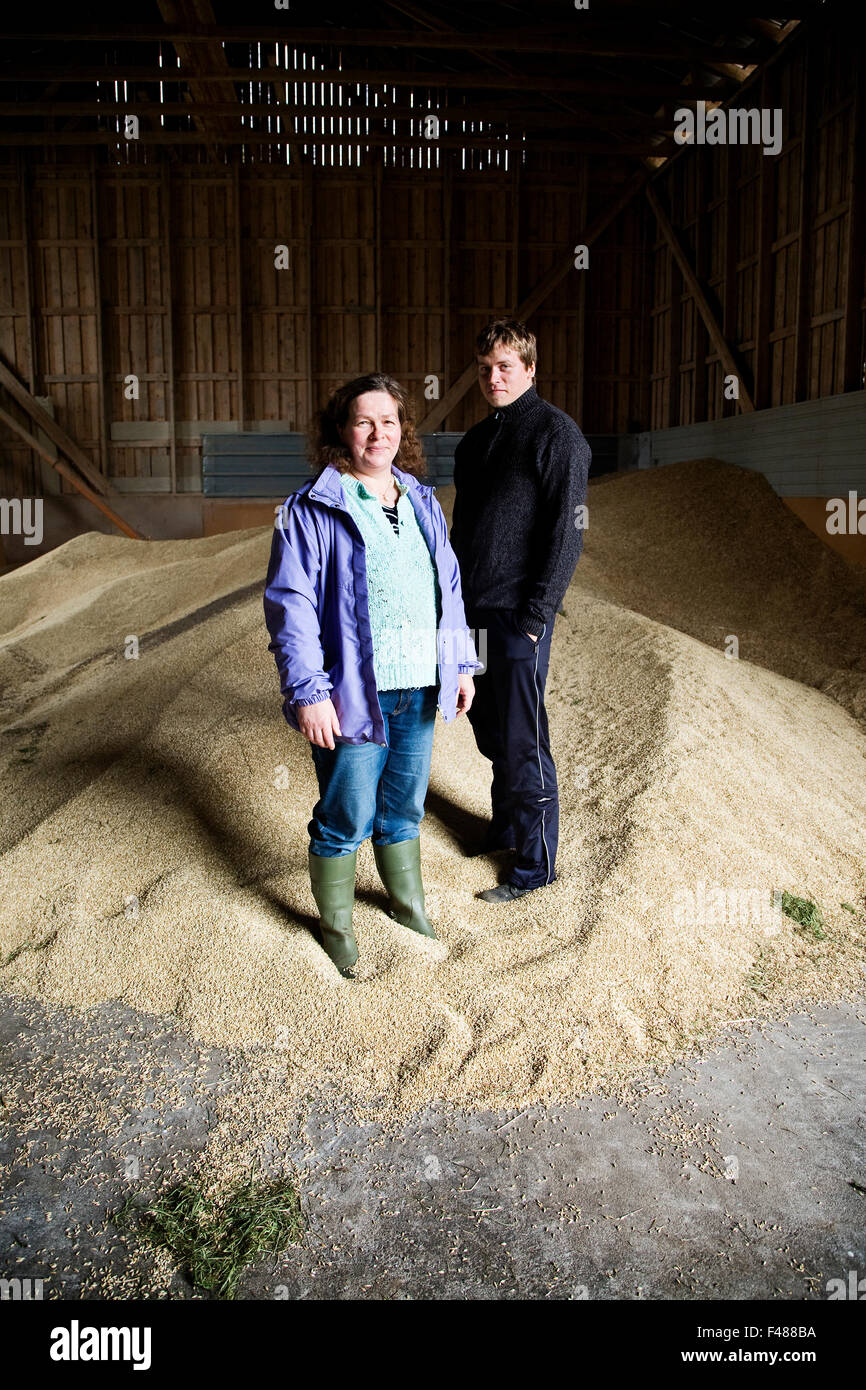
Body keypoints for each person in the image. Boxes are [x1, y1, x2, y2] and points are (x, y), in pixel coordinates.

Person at [263, 373, 480, 977]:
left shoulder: (420, 500)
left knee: (404, 809)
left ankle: (406, 906)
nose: (377, 433)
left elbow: (450, 589)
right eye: (363, 421)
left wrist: (460, 663)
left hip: (418, 685)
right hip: (353, 692)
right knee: (345, 817)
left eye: (388, 422)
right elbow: (291, 604)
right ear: (342, 431)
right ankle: (337, 928)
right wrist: (309, 691)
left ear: (402, 431)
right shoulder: (312, 508)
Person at [450, 319, 591, 903]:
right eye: (484, 369)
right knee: (490, 734)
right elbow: (461, 533)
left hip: (517, 616)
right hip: (473, 612)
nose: (493, 378)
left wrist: (537, 616)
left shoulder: (557, 435)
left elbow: (566, 534)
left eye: (506, 366)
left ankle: (535, 867)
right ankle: (506, 828)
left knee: (523, 739)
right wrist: (451, 612)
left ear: (530, 369)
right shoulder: (474, 443)